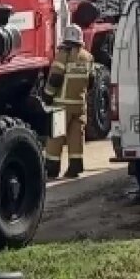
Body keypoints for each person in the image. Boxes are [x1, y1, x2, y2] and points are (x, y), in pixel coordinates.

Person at [43, 25, 95, 179]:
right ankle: (75, 166)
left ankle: (52, 168)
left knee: (56, 137)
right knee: (76, 136)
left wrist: (47, 95)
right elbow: (91, 82)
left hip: (61, 104)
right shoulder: (88, 57)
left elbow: (55, 78)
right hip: (79, 105)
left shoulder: (63, 55)